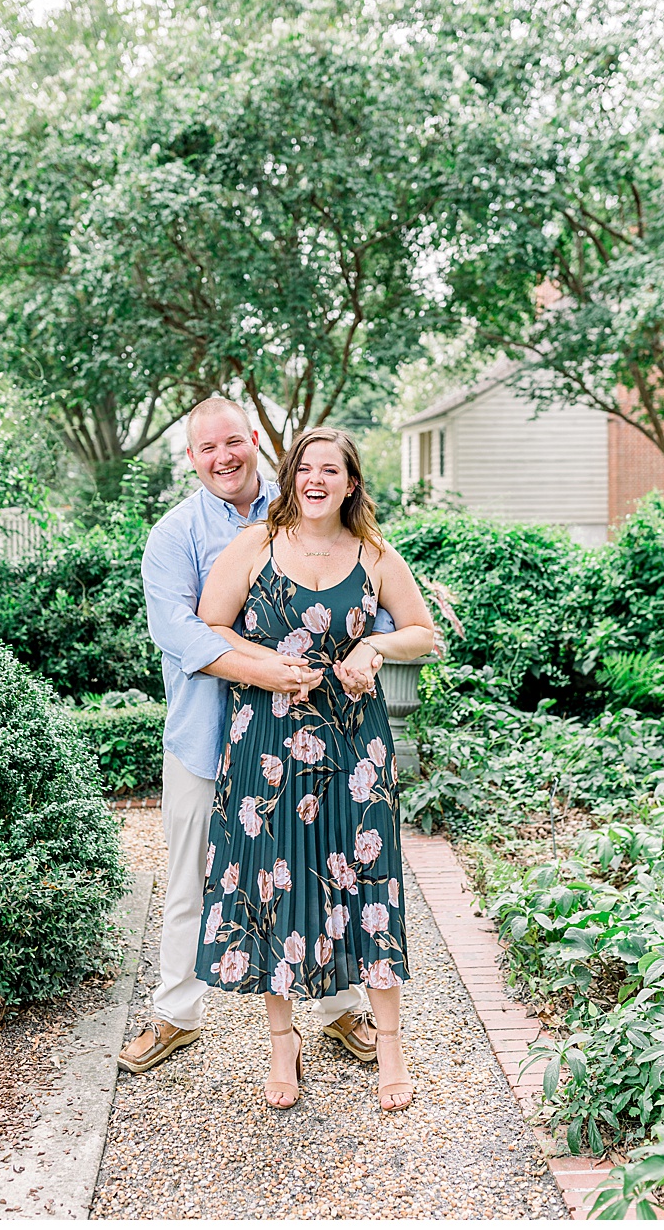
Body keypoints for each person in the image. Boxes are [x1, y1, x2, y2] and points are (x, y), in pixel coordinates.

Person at [120, 400, 387, 1077]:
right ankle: (176, 1014)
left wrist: (373, 647)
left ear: (255, 444)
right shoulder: (175, 535)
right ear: (192, 458)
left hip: (304, 738)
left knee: (323, 864)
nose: (224, 457)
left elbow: (372, 595)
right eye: (208, 448)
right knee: (190, 880)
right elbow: (180, 632)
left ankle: (340, 1007)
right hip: (204, 735)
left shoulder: (305, 503)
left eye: (233, 442)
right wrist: (263, 669)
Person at [194, 426, 437, 1112]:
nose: (316, 479)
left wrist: (375, 648)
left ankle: (389, 1047)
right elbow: (210, 626)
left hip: (354, 745)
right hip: (267, 739)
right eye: (305, 468)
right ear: (291, 477)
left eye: (331, 469)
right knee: (274, 886)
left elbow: (423, 632)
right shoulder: (256, 545)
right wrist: (266, 664)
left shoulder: (375, 553)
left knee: (368, 880)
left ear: (351, 483)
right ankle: (283, 1045)